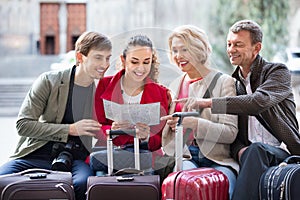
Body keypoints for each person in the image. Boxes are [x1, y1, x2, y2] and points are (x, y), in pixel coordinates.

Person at [180, 20, 300, 200]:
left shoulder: (278, 72)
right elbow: (233, 131)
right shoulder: (234, 83)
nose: (231, 49)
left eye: (238, 44)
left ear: (256, 48)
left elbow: (257, 102)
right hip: (250, 155)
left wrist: (208, 103)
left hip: (282, 151)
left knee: (256, 149)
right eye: (229, 44)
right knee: (252, 152)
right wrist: (238, 151)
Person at [0, 31, 112, 200]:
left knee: (83, 184)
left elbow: (105, 129)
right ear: (80, 57)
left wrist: (116, 128)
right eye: (98, 57)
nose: (105, 64)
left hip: (75, 159)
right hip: (35, 154)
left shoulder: (102, 92)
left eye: (108, 58)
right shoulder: (49, 81)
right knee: (3, 180)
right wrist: (70, 129)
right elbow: (22, 125)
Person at [160, 25, 239, 199]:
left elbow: (230, 133)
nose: (178, 56)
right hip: (187, 157)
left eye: (184, 49)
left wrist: (195, 124)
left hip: (218, 161)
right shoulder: (176, 84)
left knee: (226, 187)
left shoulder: (224, 82)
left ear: (199, 49)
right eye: (174, 50)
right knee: (182, 185)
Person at [94, 34, 171, 152]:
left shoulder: (161, 93)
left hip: (144, 157)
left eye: (146, 62)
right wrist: (111, 130)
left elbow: (162, 139)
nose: (141, 68)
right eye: (135, 62)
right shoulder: (104, 85)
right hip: (109, 153)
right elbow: (96, 126)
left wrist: (147, 137)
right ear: (123, 60)